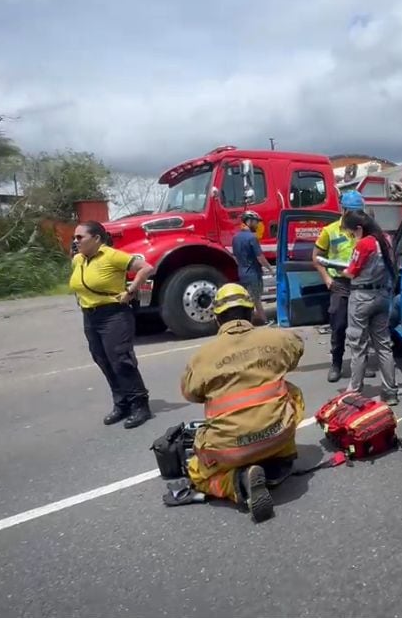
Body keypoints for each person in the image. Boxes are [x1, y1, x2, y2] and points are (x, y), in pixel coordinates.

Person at [174, 283, 306, 522]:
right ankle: (283, 455)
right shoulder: (279, 338)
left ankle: (239, 483)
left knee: (198, 474)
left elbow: (191, 394)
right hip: (277, 433)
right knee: (291, 392)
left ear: (216, 319)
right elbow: (296, 353)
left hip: (230, 448)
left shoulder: (201, 357)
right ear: (252, 312)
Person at [70, 220, 156, 429]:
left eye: (80, 237)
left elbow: (147, 268)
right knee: (103, 361)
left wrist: (131, 290)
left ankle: (140, 405)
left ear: (97, 239)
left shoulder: (111, 255)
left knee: (120, 360)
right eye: (74, 237)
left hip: (114, 315)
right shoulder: (78, 260)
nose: (75, 241)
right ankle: (122, 403)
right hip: (90, 316)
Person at [313, 190, 375, 383]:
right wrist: (326, 278)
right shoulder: (330, 231)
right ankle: (336, 364)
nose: (356, 216)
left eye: (359, 211)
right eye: (352, 211)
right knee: (339, 326)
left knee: (361, 328)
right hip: (340, 284)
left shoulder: (366, 230)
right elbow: (316, 258)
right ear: (344, 210)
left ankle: (361, 365)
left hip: (361, 283)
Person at [341, 210, 399, 405]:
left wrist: (343, 270)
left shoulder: (363, 243)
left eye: (351, 232)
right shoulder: (385, 239)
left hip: (362, 298)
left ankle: (354, 391)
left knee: (358, 346)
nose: (351, 236)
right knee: (383, 345)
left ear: (359, 228)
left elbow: (351, 272)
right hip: (382, 296)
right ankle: (390, 392)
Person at [231, 210, 273, 326]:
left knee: (248, 299)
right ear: (248, 221)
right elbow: (260, 257)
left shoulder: (235, 238)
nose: (257, 224)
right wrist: (270, 269)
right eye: (256, 222)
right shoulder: (251, 238)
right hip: (253, 274)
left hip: (242, 273)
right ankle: (263, 321)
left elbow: (235, 257)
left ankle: (252, 321)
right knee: (256, 300)